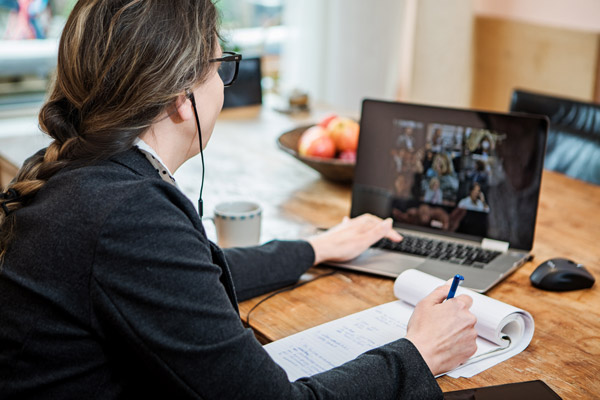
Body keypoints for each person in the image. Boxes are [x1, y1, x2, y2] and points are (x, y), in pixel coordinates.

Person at [0, 1, 477, 399]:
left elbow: (181, 279)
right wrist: (418, 353)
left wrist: (315, 249)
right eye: (219, 67)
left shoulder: (84, 174)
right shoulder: (128, 216)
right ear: (179, 98)